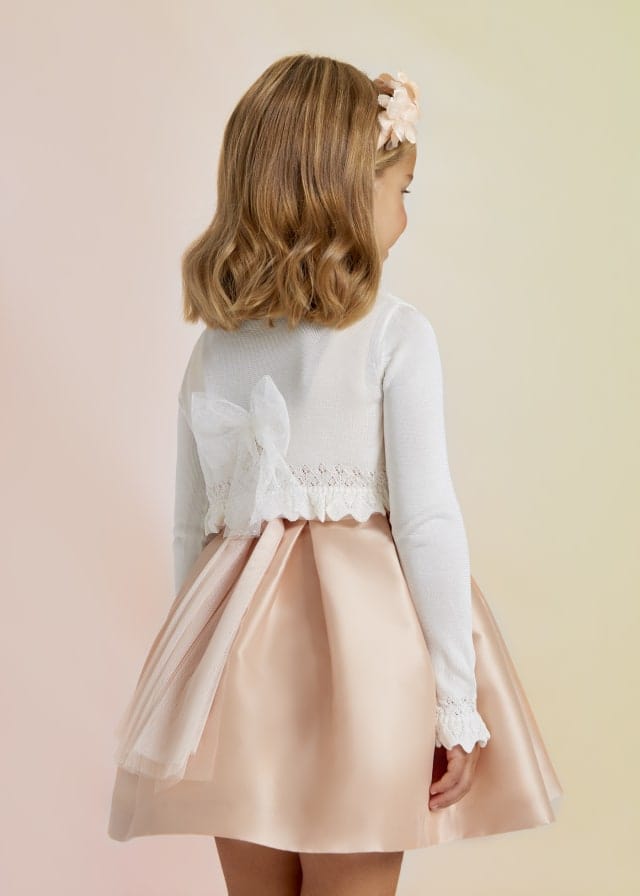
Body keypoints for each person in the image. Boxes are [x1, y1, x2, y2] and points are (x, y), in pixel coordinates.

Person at [107, 54, 563, 896]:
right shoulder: (394, 335)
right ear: (348, 193)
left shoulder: (215, 351)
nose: (405, 215)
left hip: (238, 680)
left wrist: (193, 680)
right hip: (367, 672)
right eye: (401, 190)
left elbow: (191, 532)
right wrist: (455, 700)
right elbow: (426, 521)